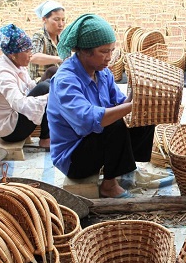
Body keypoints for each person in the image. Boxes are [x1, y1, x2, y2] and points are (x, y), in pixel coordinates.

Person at [47, 14, 155, 199]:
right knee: (114, 125)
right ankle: (109, 186)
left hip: (93, 141)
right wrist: (131, 106)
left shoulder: (102, 73)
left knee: (144, 117)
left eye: (112, 51)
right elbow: (88, 120)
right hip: (74, 157)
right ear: (84, 52)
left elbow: (120, 103)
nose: (109, 58)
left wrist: (138, 96)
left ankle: (127, 170)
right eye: (104, 51)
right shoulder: (66, 80)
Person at [0, 24, 51, 149]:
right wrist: (48, 98)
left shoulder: (15, 65)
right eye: (26, 51)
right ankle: (46, 139)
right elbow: (20, 104)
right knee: (46, 89)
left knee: (49, 82)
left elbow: (30, 85)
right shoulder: (3, 74)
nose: (31, 54)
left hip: (14, 119)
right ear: (12, 55)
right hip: (10, 131)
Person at [29, 0, 66, 81]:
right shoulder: (39, 36)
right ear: (44, 19)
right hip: (40, 82)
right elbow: (33, 57)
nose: (61, 24)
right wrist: (60, 58)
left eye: (63, 20)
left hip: (57, 78)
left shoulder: (62, 38)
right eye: (56, 19)